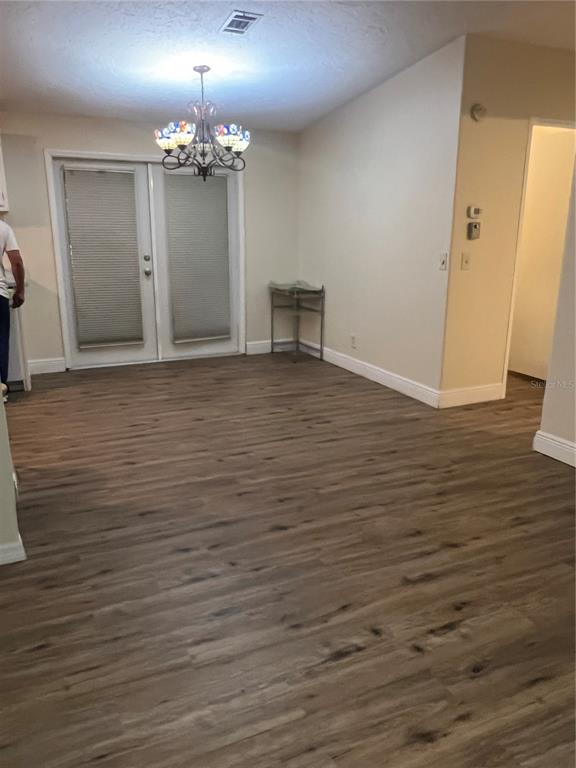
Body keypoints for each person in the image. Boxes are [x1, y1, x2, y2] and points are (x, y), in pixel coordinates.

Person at [0, 219, 25, 403]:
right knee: (1, 342)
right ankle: (1, 391)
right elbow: (16, 262)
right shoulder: (3, 228)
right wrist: (20, 290)